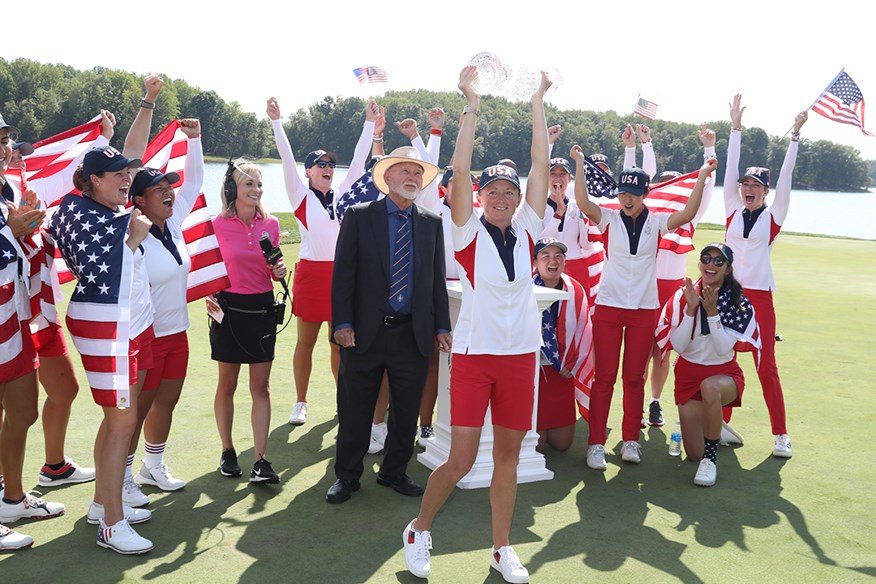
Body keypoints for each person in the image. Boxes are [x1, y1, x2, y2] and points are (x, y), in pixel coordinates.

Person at [402, 66, 551, 584]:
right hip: (472, 358)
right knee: (462, 459)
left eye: (511, 192)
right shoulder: (465, 233)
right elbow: (460, 172)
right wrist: (471, 105)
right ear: (482, 198)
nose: (505, 198)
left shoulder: (531, 229)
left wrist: (537, 100)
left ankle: (501, 548)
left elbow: (540, 161)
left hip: (519, 358)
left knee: (506, 459)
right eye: (496, 192)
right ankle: (419, 529)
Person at [571, 144, 715, 470]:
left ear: (644, 193)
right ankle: (596, 444)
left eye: (633, 194)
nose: (627, 199)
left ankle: (631, 441)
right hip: (608, 306)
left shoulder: (659, 222)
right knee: (605, 377)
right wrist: (579, 163)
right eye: (623, 193)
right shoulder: (608, 218)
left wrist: (703, 177)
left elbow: (689, 214)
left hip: (644, 309)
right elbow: (582, 202)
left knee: (634, 378)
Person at [327, 145, 450, 504]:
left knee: (406, 409)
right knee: (355, 407)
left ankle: (394, 472)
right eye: (405, 172)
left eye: (417, 174)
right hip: (364, 331)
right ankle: (347, 476)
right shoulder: (359, 216)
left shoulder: (430, 223)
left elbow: (434, 280)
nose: (412, 179)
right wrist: (342, 323)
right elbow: (343, 275)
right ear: (388, 178)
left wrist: (441, 326)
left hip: (412, 332)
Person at [49, 144, 154, 554]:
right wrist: (134, 239)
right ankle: (112, 523)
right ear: (94, 180)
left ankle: (100, 505)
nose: (127, 179)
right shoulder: (84, 214)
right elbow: (97, 269)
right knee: (123, 423)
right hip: (106, 324)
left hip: (122, 322)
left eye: (127, 173)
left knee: (117, 422)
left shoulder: (106, 213)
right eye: (117, 174)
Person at [267, 97, 375, 427]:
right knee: (305, 342)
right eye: (320, 164)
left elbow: (359, 161)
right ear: (309, 171)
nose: (327, 168)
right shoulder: (299, 195)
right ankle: (301, 402)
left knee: (339, 342)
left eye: (330, 164)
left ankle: (344, 400)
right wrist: (276, 121)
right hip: (312, 273)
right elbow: (286, 157)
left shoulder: (344, 191)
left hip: (342, 275)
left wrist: (369, 123)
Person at [724, 95, 807, 458]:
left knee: (766, 366)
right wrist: (735, 128)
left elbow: (787, 177)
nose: (748, 189)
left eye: (755, 186)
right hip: (728, 295)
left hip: (760, 296)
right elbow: (729, 168)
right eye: (746, 184)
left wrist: (795, 137)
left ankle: (780, 435)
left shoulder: (774, 217)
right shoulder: (731, 209)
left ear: (765, 191)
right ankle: (721, 423)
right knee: (721, 359)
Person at [127, 118, 204, 495]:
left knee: (166, 403)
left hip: (178, 333)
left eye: (167, 187)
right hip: (146, 338)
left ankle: (150, 467)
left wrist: (196, 140)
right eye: (157, 190)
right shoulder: (134, 234)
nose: (167, 194)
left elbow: (194, 182)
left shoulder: (172, 226)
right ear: (139, 200)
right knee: (136, 413)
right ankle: (121, 479)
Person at [0, 117, 64, 551]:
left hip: (12, 311)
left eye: (5, 141)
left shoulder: (7, 188)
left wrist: (27, 225)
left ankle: (12, 498)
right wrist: (11, 230)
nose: (4, 148)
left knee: (23, 410)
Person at [207, 159, 286, 484]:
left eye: (259, 184)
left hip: (261, 309)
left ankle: (261, 460)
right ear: (232, 189)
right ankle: (228, 450)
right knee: (228, 384)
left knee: (261, 387)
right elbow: (207, 267)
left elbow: (273, 264)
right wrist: (209, 292)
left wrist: (277, 271)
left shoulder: (271, 225)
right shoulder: (215, 225)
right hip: (228, 309)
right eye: (248, 184)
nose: (256, 190)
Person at [656, 243, 760, 486]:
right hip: (688, 374)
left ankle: (710, 460)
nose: (711, 265)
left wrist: (712, 313)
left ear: (728, 269)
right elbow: (679, 347)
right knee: (693, 454)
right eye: (706, 259)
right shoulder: (684, 296)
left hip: (723, 375)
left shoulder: (739, 303)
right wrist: (691, 310)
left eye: (718, 261)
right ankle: (717, 427)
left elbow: (725, 348)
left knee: (710, 388)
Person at [532, 238, 592, 453]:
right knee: (535, 445)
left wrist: (571, 364)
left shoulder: (575, 289)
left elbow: (584, 332)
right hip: (533, 373)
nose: (553, 261)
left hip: (561, 370)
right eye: (545, 256)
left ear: (565, 261)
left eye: (559, 256)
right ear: (535, 263)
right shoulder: (524, 288)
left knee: (562, 444)